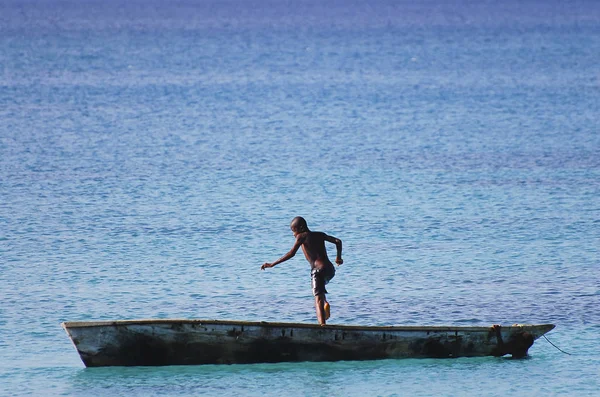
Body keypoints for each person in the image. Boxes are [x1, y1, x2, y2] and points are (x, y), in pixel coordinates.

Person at [261, 216, 343, 325]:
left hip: (318, 270)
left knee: (317, 298)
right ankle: (325, 303)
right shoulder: (320, 234)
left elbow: (291, 253)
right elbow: (338, 241)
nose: (293, 234)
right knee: (320, 288)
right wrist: (338, 258)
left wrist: (272, 264)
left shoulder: (302, 236)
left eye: (294, 230)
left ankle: (322, 326)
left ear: (300, 228)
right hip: (330, 269)